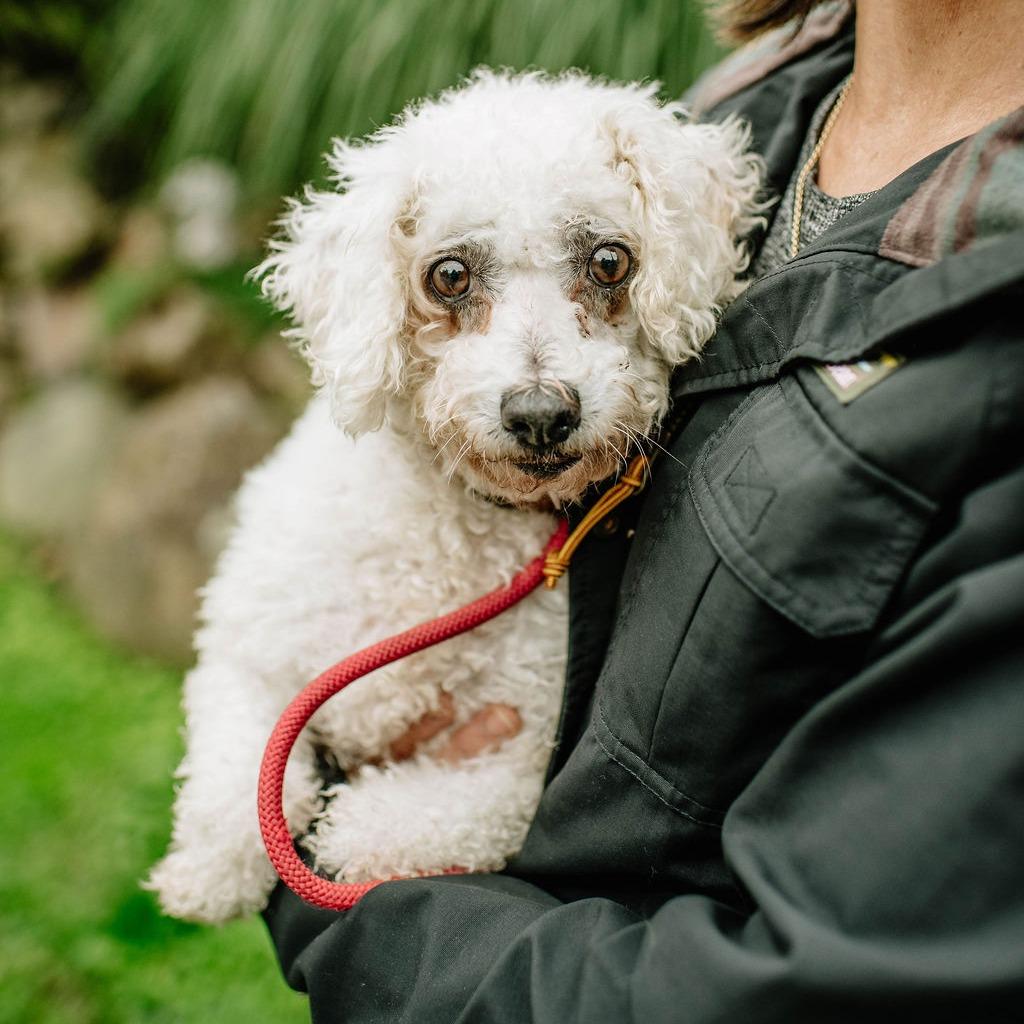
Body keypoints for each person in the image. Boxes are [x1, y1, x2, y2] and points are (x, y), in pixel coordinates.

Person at [262, 1, 1024, 1019]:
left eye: (606, 271)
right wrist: (293, 732)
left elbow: (823, 985)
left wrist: (352, 906)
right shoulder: (743, 107)